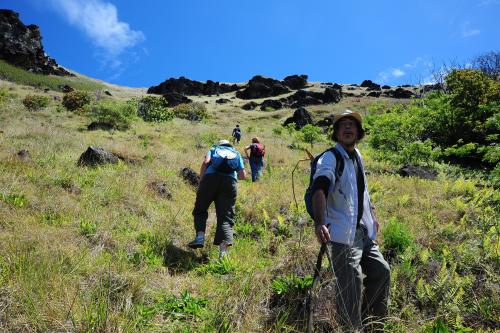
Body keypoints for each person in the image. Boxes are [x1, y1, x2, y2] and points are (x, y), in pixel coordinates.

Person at [311, 110, 390, 332]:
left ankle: (372, 324)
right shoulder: (330, 157)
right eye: (342, 125)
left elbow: (361, 192)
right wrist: (319, 223)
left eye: (352, 125)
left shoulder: (357, 156)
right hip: (342, 233)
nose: (347, 128)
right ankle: (350, 328)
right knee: (351, 283)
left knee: (381, 271)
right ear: (336, 133)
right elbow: (319, 188)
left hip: (363, 231)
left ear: (359, 132)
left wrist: (372, 216)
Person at [188, 139, 246, 258]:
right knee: (226, 217)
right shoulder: (237, 153)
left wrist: (201, 181)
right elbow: (242, 175)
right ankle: (223, 254)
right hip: (229, 183)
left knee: (200, 209)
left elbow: (206, 162)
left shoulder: (214, 149)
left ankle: (200, 237)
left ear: (219, 145)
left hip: (210, 180)